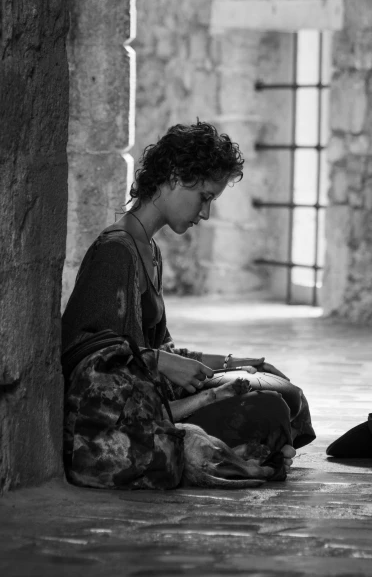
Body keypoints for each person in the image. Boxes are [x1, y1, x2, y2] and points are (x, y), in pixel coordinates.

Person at [61, 120, 315, 485]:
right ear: (176, 177)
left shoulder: (148, 249)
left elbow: (160, 348)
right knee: (270, 409)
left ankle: (257, 448)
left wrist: (228, 362)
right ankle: (253, 448)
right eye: (206, 197)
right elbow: (81, 353)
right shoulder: (115, 250)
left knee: (281, 387)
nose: (206, 213)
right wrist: (159, 361)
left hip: (156, 392)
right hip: (129, 415)